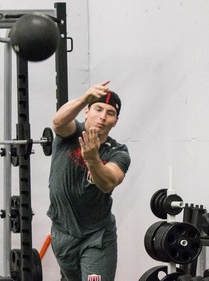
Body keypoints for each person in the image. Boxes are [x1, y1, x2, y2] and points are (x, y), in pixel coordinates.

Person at [47, 80, 131, 281]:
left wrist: (92, 159)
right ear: (86, 112)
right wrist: (85, 97)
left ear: (115, 121)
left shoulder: (118, 152)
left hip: (97, 237)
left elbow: (108, 182)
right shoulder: (72, 132)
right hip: (62, 234)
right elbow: (58, 122)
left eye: (110, 113)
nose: (102, 117)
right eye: (98, 109)